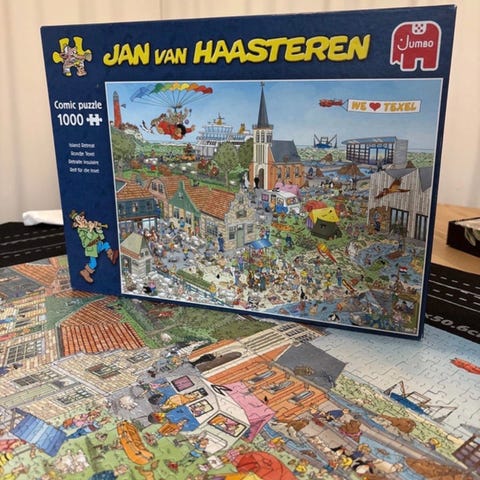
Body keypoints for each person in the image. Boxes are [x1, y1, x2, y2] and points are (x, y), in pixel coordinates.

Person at [70, 210, 118, 283]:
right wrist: (90, 230)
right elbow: (85, 244)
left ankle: (111, 256)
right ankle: (85, 272)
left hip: (97, 244)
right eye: (79, 219)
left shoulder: (87, 226)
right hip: (91, 249)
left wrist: (99, 229)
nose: (82, 218)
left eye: (81, 217)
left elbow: (101, 237)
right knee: (93, 263)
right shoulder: (81, 231)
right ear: (76, 224)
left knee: (106, 244)